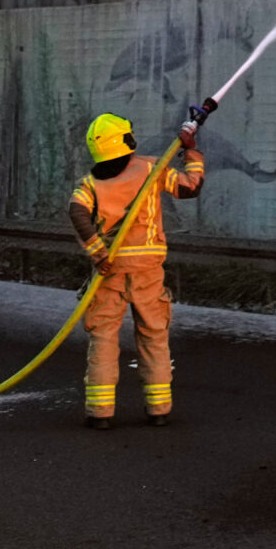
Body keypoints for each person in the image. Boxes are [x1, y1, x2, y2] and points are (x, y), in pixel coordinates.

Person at [68, 111, 204, 429]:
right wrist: (192, 152)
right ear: (126, 143)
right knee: (154, 336)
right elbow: (190, 187)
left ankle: (100, 413)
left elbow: (77, 211)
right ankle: (159, 409)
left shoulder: (89, 184)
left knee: (103, 339)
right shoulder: (149, 168)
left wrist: (98, 252)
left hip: (109, 270)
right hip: (147, 270)